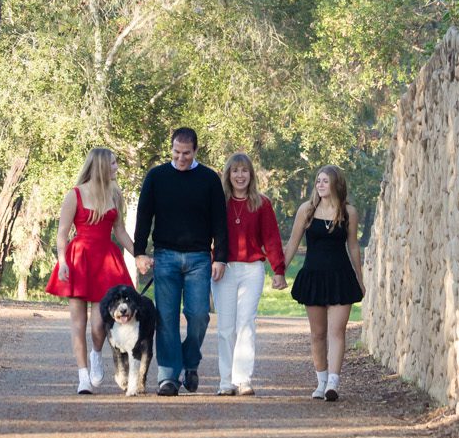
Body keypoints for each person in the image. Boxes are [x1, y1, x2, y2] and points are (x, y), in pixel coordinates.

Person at [133, 126, 228, 396]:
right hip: (165, 256)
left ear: (196, 151)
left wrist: (219, 257)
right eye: (176, 152)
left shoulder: (209, 179)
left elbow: (220, 222)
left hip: (199, 258)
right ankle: (168, 376)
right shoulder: (157, 177)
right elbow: (143, 216)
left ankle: (190, 361)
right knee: (167, 318)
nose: (181, 158)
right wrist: (140, 252)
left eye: (186, 153)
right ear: (171, 148)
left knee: (198, 316)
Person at [45, 147, 137, 395]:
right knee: (78, 323)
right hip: (79, 259)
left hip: (105, 261)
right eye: (114, 163)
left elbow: (120, 232)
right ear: (101, 166)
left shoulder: (115, 194)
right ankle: (83, 376)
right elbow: (62, 234)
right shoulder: (74, 195)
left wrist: (139, 254)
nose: (117, 167)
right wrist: (62, 261)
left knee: (99, 324)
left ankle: (96, 355)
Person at [282, 164, 365, 402]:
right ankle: (320, 381)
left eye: (325, 181)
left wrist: (360, 279)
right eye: (318, 181)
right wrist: (280, 272)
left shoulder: (349, 212)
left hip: (341, 277)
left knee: (337, 332)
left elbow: (353, 246)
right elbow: (293, 243)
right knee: (318, 333)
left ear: (336, 184)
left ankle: (333, 384)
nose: (320, 185)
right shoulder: (307, 210)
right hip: (314, 277)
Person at [214, 152, 286, 396]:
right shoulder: (219, 202)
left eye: (244, 170)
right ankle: (226, 381)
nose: (240, 175)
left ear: (251, 174)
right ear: (228, 174)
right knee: (225, 327)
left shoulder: (262, 203)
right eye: (235, 171)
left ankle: (242, 379)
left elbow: (272, 238)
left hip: (252, 269)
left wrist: (278, 269)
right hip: (224, 268)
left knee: (245, 324)